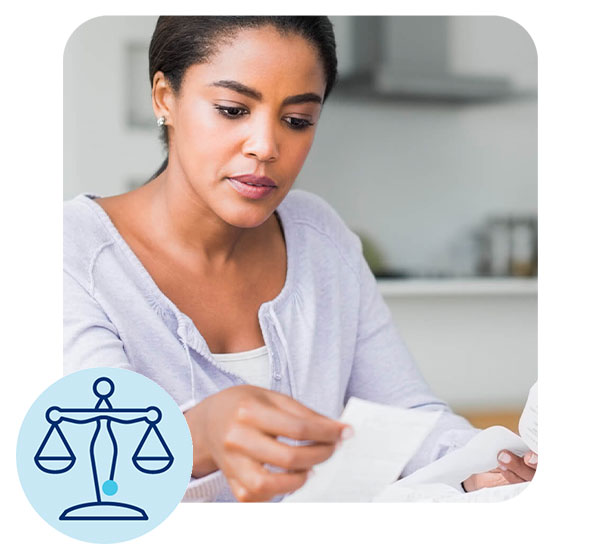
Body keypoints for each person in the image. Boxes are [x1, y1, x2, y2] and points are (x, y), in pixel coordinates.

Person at [63, 16, 536, 502]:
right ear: (165, 97)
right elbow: (83, 471)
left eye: (297, 121)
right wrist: (197, 435)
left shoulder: (319, 235)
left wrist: (477, 468)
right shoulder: (68, 252)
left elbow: (409, 415)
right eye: (231, 110)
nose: (266, 148)